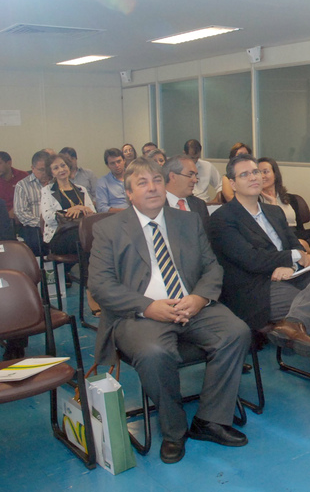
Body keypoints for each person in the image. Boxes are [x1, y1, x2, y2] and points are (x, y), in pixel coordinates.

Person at [88, 157, 251, 464]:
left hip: (191, 305)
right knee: (154, 353)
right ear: (129, 193)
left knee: (236, 332)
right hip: (139, 314)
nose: (152, 188)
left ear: (165, 186)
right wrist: (148, 307)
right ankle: (174, 430)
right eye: (142, 183)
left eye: (157, 181)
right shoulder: (108, 229)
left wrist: (199, 298)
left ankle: (211, 420)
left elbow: (212, 267)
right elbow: (101, 285)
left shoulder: (187, 221)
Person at [207, 154, 310, 426]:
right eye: (244, 174)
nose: (254, 177)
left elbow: (296, 246)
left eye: (256, 172)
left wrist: (296, 261)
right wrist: (290, 259)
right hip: (256, 287)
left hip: (292, 276)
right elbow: (249, 259)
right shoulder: (223, 218)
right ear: (231, 183)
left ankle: (293, 324)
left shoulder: (274, 212)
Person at [40, 153, 95, 255]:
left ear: (69, 167)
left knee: (98, 236)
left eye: (63, 165)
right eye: (56, 168)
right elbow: (48, 217)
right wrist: (68, 211)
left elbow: (93, 214)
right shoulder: (47, 191)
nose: (61, 170)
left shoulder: (81, 189)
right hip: (60, 234)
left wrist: (82, 208)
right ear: (52, 173)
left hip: (82, 230)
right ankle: (86, 265)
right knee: (83, 239)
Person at [13, 149, 51, 256]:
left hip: (55, 225)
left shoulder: (55, 182)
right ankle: (40, 264)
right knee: (34, 235)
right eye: (41, 170)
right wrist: (42, 224)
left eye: (47, 169)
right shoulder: (22, 185)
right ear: (33, 168)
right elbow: (21, 213)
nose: (45, 173)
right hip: (34, 227)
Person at [163, 155, 209, 222]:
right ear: (173, 177)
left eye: (195, 175)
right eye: (190, 175)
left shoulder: (200, 205)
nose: (195, 180)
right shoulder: (157, 205)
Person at [96, 148, 129, 213]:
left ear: (124, 161)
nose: (117, 165)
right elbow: (102, 208)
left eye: (119, 161)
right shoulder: (102, 182)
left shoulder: (134, 177)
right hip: (115, 216)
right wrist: (124, 211)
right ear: (107, 166)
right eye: (112, 163)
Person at [0, 151, 29, 220]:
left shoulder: (23, 176)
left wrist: (16, 210)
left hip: (22, 215)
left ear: (9, 163)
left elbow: (30, 197)